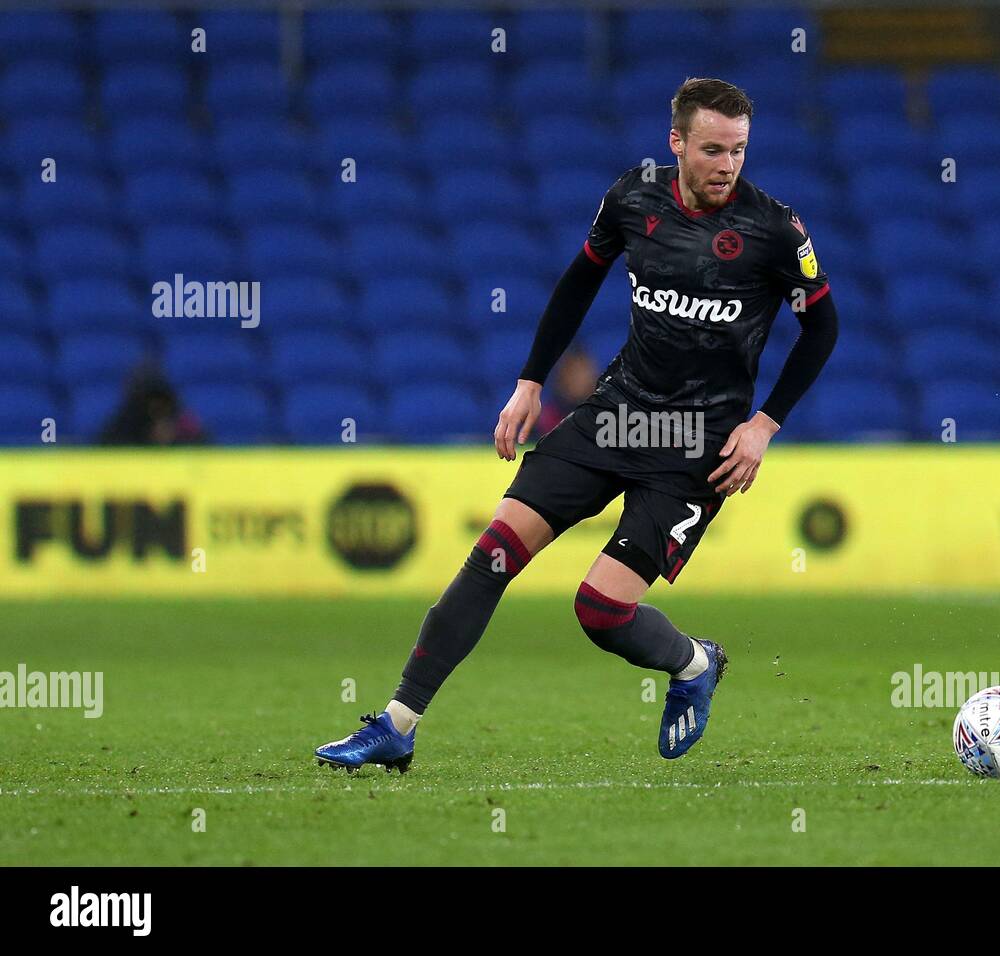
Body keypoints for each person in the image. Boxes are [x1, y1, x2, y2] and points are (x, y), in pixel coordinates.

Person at [315, 77, 839, 773]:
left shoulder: (774, 230)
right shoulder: (633, 198)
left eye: (739, 151)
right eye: (713, 149)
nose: (727, 166)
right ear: (675, 141)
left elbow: (822, 327)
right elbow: (578, 283)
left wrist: (766, 423)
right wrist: (531, 381)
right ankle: (397, 726)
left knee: (598, 611)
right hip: (616, 415)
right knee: (494, 554)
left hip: (694, 446)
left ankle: (693, 663)